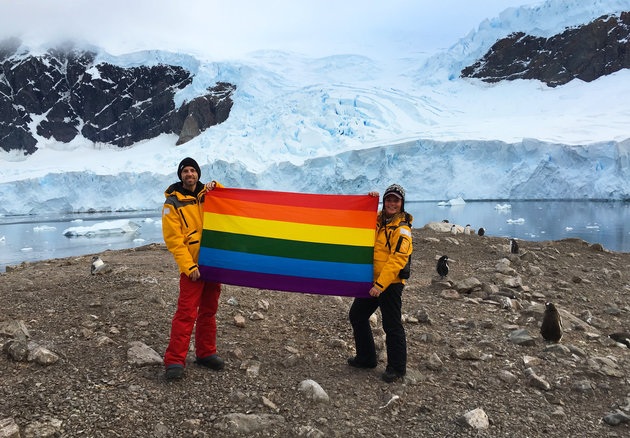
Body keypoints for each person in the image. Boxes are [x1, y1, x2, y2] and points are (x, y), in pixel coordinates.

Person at [161, 157, 225, 381]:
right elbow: (173, 240)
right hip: (193, 267)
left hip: (213, 263)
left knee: (209, 311)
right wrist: (188, 266)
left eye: (193, 170)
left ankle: (205, 353)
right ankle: (175, 360)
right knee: (186, 313)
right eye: (185, 171)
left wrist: (219, 188)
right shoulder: (172, 203)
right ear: (180, 175)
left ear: (198, 174)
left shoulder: (209, 195)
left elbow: (231, 208)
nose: (189, 174)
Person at [348, 183, 413, 383]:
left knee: (391, 324)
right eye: (388, 199)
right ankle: (367, 358)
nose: (392, 203)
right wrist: (369, 200)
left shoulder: (402, 230)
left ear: (402, 204)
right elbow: (357, 217)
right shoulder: (379, 220)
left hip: (390, 283)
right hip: (372, 279)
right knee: (357, 315)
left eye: (396, 200)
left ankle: (397, 368)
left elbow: (397, 260)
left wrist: (380, 285)